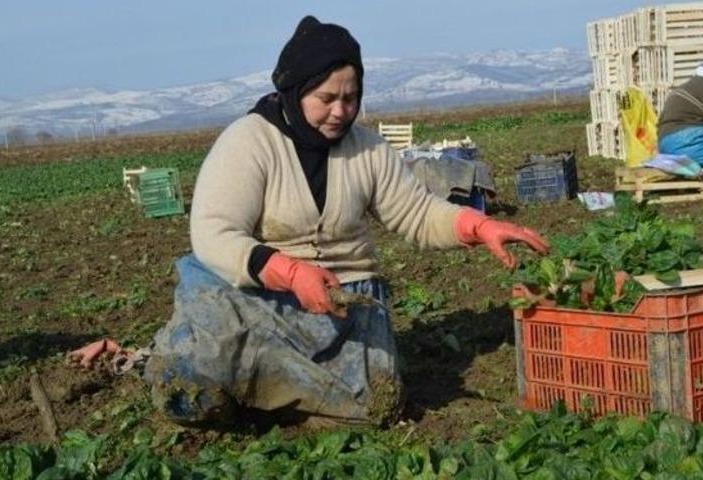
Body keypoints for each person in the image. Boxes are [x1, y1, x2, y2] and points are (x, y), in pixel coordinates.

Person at [141, 16, 549, 428]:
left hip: (346, 303)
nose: (340, 111)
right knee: (192, 385)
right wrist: (289, 271)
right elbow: (213, 234)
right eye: (326, 98)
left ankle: (277, 399)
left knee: (377, 408)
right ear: (295, 91)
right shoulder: (249, 142)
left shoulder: (367, 149)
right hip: (258, 297)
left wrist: (478, 226)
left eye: (351, 98)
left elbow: (417, 213)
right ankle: (227, 380)